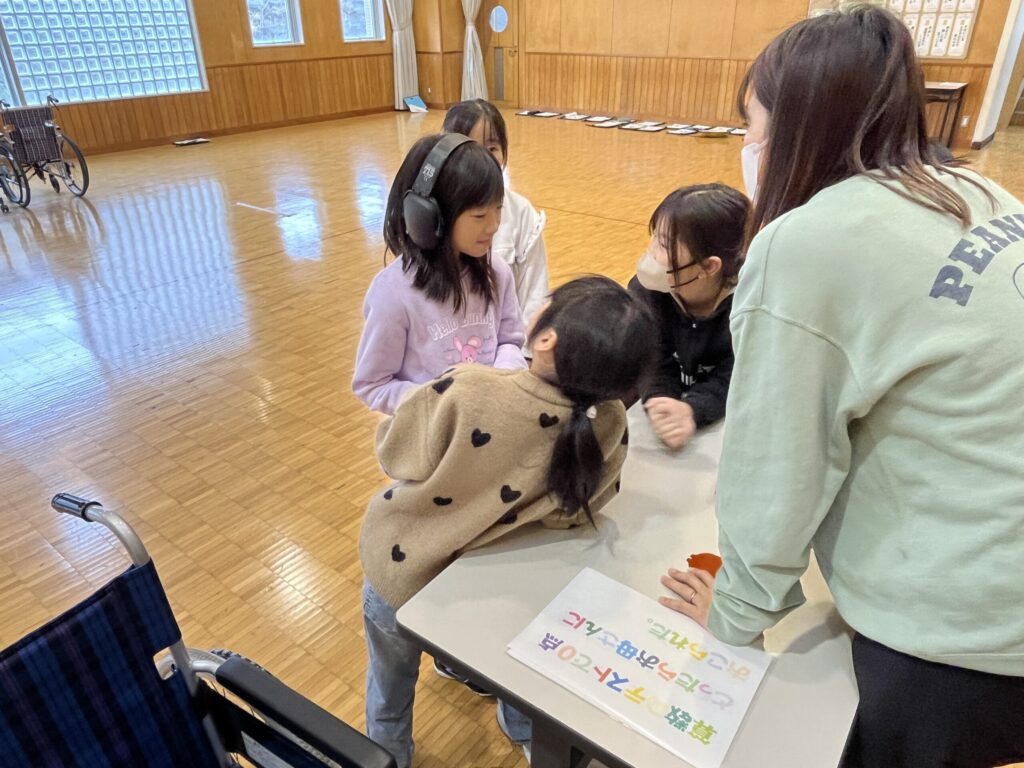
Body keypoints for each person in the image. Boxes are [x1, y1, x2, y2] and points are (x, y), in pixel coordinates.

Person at [660, 7, 1024, 767]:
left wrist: (736, 610)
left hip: (968, 635)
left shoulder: (806, 244)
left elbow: (778, 466)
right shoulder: (979, 192)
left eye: (752, 123)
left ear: (797, 125)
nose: (746, 146)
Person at [359, 276, 656, 768]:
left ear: (547, 339)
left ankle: (386, 755)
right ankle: (519, 725)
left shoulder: (469, 388)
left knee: (391, 678)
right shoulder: (608, 422)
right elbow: (587, 505)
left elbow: (395, 452)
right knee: (504, 664)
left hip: (404, 568)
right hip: (493, 590)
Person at [352, 133, 527, 415]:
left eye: (499, 209)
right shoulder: (393, 294)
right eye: (479, 216)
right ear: (428, 216)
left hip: (487, 427)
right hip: (429, 437)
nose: (494, 225)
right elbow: (372, 384)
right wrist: (441, 401)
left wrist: (499, 382)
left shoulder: (497, 272)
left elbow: (510, 341)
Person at [628, 184, 750, 449]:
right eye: (654, 237)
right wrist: (661, 401)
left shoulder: (746, 306)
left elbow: (737, 375)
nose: (651, 252)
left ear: (708, 266)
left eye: (663, 244)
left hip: (725, 422)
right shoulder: (647, 292)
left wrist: (693, 409)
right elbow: (651, 357)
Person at [443, 99, 550, 328]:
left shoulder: (522, 213)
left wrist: (520, 345)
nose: (483, 158)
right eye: (470, 147)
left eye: (492, 148)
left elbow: (535, 293)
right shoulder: (433, 214)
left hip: (506, 342)